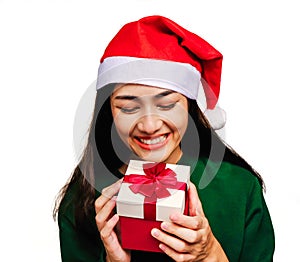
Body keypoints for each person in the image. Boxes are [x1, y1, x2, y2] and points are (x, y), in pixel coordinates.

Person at [53, 15, 275, 261]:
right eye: (128, 108)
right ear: (109, 112)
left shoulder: (240, 189)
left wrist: (210, 254)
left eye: (167, 104)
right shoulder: (81, 202)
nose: (149, 125)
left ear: (190, 106)